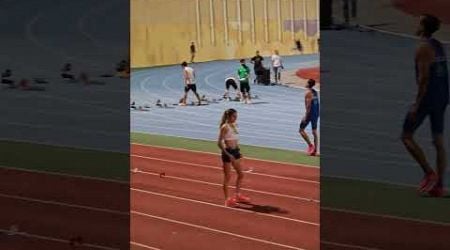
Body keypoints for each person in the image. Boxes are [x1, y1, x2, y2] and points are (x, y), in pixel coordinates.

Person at [401, 14, 448, 197]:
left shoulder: (423, 48)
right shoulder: (439, 46)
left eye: (419, 21)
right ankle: (440, 186)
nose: (416, 24)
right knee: (438, 141)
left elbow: (424, 78)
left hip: (428, 98)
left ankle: (429, 173)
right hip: (442, 97)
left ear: (423, 26)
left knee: (406, 135)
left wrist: (417, 104)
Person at [217, 108, 251, 207]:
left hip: (236, 152)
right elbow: (219, 143)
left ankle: (238, 195)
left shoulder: (235, 125)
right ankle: (227, 200)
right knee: (228, 177)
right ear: (228, 116)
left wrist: (238, 152)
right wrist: (228, 154)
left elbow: (235, 140)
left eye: (236, 116)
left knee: (241, 174)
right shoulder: (225, 127)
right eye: (234, 116)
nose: (236, 118)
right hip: (228, 153)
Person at [299, 79, 320, 156]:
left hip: (310, 114)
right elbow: (317, 104)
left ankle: (310, 146)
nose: (305, 83)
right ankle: (315, 150)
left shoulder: (308, 93)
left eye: (306, 82)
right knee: (314, 131)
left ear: (308, 84)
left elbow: (308, 106)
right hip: (316, 113)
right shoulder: (315, 92)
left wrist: (306, 116)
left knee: (301, 130)